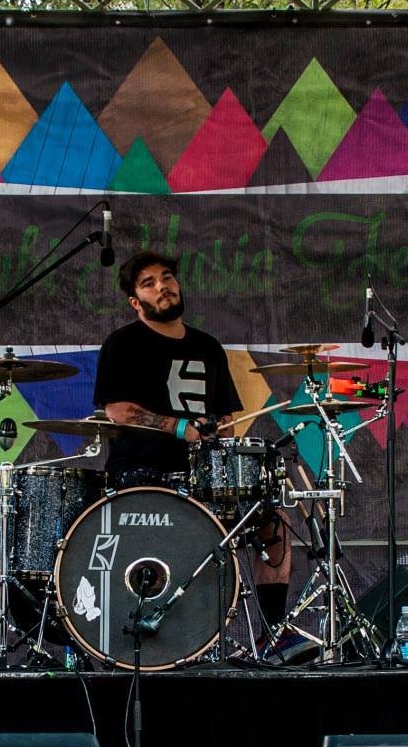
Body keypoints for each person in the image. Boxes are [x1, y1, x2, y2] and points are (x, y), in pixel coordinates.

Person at [93, 251, 293, 643]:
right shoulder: (123, 344)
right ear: (135, 302)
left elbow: (224, 418)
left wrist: (216, 432)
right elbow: (117, 410)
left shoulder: (207, 347)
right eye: (148, 283)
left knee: (275, 524)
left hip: (203, 481)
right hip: (141, 476)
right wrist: (178, 426)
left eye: (167, 277)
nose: (162, 286)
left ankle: (272, 638)